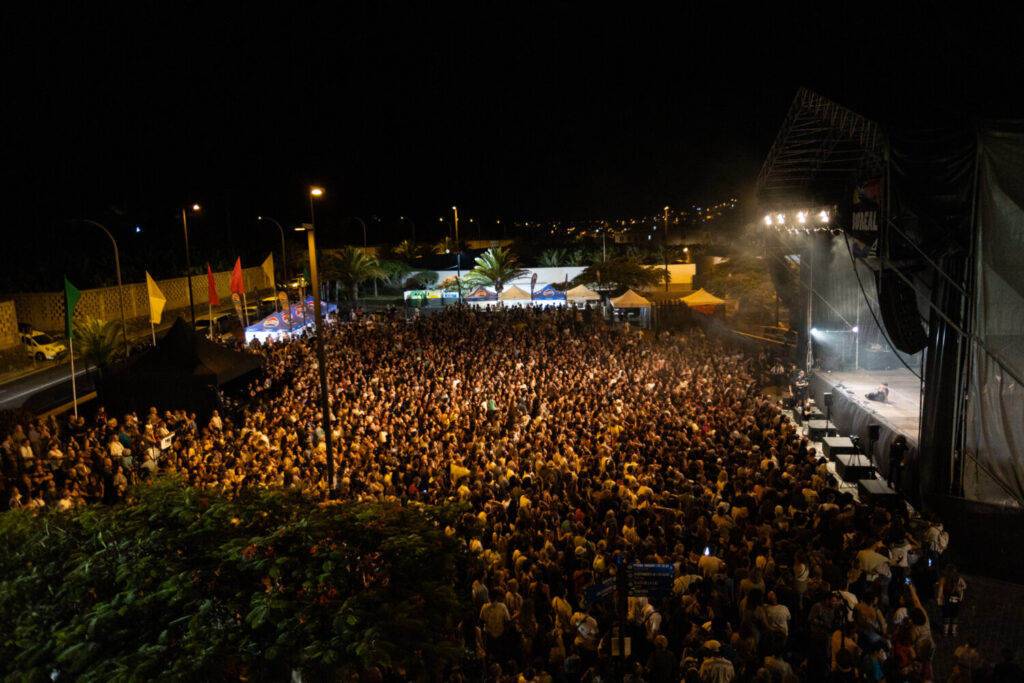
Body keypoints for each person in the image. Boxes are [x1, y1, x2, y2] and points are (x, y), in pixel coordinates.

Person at [936, 564, 966, 636]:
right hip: (956, 600)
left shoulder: (943, 579)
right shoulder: (958, 578)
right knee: (955, 615)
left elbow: (940, 590)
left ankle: (945, 631)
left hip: (947, 600)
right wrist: (960, 588)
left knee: (946, 615)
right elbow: (965, 586)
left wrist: (939, 598)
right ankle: (953, 631)